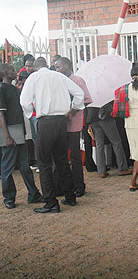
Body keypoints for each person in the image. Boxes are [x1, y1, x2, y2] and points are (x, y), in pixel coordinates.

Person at [20, 57, 85, 213]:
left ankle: (51, 202)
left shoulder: (34, 78)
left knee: (44, 163)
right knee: (62, 159)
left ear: (35, 68)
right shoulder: (59, 76)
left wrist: (31, 114)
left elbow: (24, 101)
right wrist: (72, 109)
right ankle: (70, 197)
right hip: (61, 121)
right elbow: (79, 93)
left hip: (45, 121)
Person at [0, 64, 42, 209]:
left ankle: (33, 194)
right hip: (10, 132)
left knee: (25, 165)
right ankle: (9, 197)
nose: (15, 72)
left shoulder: (12, 89)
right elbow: (1, 113)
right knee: (7, 166)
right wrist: (6, 136)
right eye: (12, 70)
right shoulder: (2, 89)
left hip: (18, 130)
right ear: (5, 73)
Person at [55, 57, 92, 197]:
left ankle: (79, 186)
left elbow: (87, 100)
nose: (56, 70)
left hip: (73, 125)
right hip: (60, 125)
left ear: (66, 65)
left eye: (58, 67)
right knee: (61, 156)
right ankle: (63, 186)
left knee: (75, 157)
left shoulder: (77, 81)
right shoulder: (58, 81)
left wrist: (73, 111)